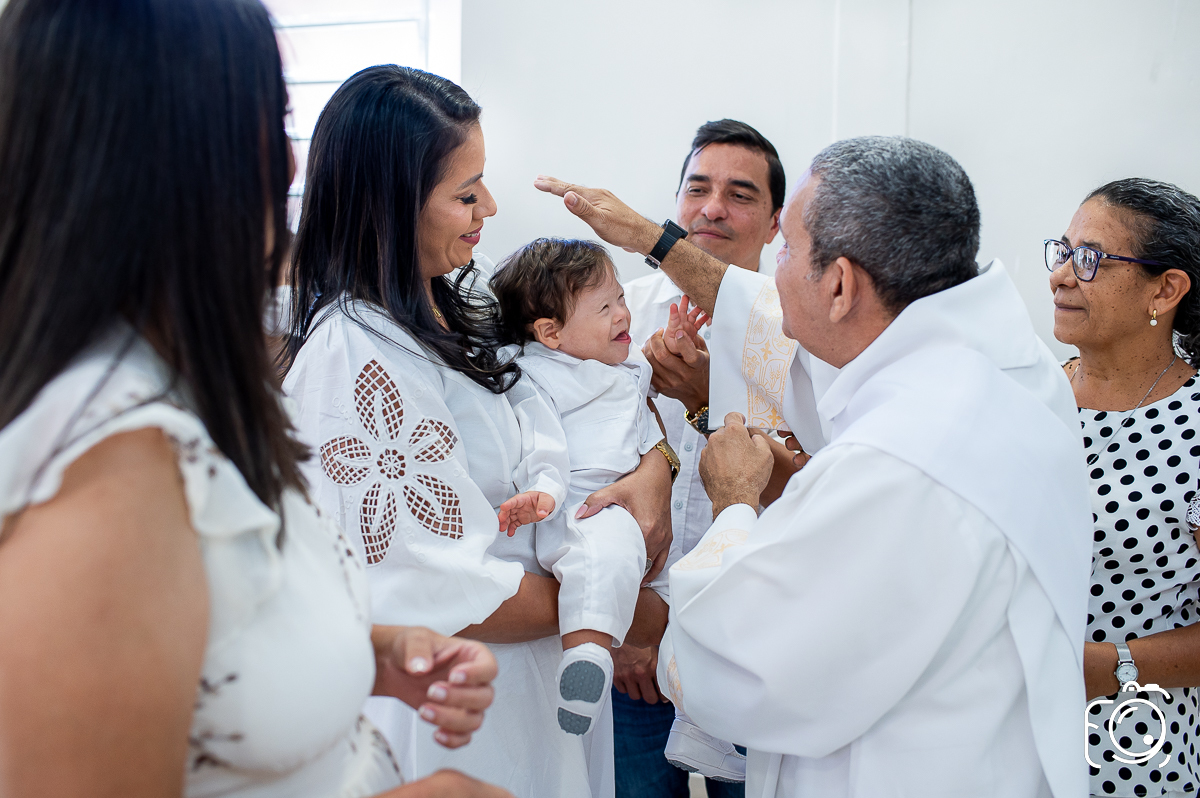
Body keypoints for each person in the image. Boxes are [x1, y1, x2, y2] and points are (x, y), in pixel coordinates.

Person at [0, 1, 505, 796]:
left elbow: (202, 639)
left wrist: (371, 654)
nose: (295, 166)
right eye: (270, 123)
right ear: (167, 157)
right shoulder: (105, 472)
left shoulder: (187, 384)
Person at [533, 135, 1094, 797]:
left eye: (787, 248)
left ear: (840, 284)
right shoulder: (1013, 368)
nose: (773, 272)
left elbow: (745, 668)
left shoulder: (895, 460)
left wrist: (735, 501)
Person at [282, 65, 674, 798]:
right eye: (465, 194)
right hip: (459, 708)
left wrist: (654, 466)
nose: (488, 207)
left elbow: (589, 388)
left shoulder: (467, 295)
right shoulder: (353, 353)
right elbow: (430, 582)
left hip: (541, 674)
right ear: (391, 204)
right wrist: (622, 608)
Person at [618, 118, 787, 795]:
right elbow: (572, 471)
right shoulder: (612, 316)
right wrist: (629, 615)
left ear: (775, 223)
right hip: (629, 643)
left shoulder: (803, 338)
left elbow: (812, 486)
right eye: (698, 188)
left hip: (752, 651)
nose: (713, 208)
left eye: (741, 195)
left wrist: (705, 397)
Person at [1047, 178, 1200, 797]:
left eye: (1091, 259)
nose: (1061, 275)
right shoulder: (1032, 396)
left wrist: (1104, 667)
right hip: (1003, 739)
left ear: (1165, 288)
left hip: (1130, 756)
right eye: (1062, 251)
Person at [489, 237, 670, 737]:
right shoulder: (537, 372)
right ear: (549, 332)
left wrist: (658, 468)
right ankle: (587, 655)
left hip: (624, 499)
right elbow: (539, 435)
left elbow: (649, 433)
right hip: (578, 501)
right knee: (597, 558)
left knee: (662, 582)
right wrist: (546, 489)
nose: (623, 315)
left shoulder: (625, 368)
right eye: (605, 307)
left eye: (621, 299)